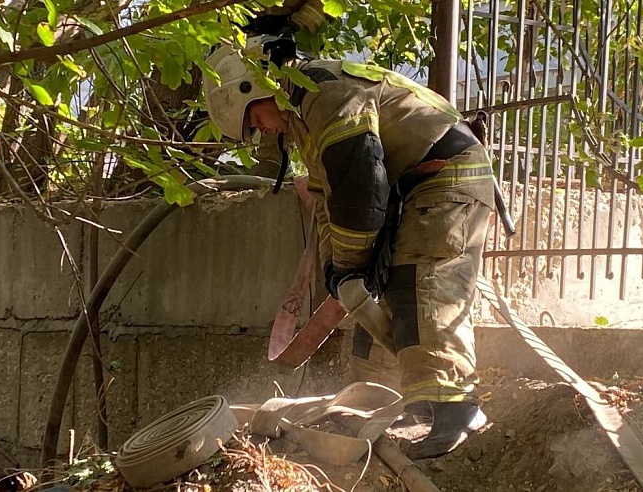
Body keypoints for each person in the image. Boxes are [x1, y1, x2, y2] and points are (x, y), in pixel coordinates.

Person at [203, 39, 496, 459]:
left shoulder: (326, 96)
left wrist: (349, 264)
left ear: (258, 86)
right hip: (409, 190)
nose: (261, 131)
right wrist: (335, 272)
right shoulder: (305, 117)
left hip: (445, 178)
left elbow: (360, 185)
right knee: (381, 302)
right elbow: (328, 202)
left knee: (422, 284)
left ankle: (455, 409)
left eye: (255, 120)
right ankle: (409, 404)